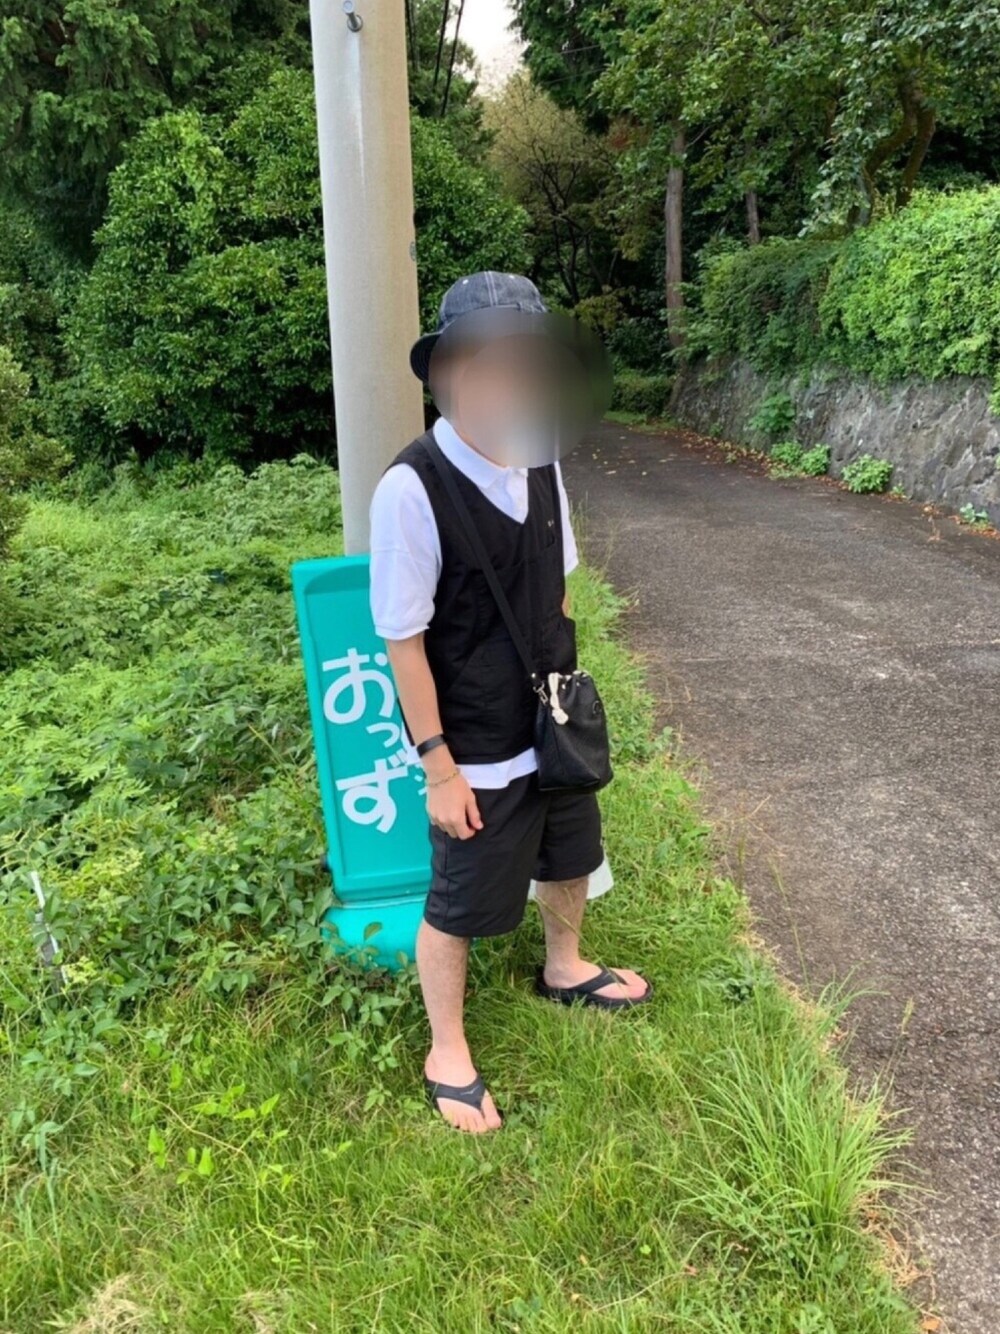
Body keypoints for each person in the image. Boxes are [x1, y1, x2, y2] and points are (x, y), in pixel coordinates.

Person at [368, 271, 652, 1135]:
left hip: (551, 716)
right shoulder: (411, 488)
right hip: (476, 739)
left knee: (571, 850)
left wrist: (564, 690)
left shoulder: (540, 454)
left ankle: (565, 965)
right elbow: (404, 643)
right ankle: (445, 1049)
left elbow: (556, 586)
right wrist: (438, 768)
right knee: (460, 896)